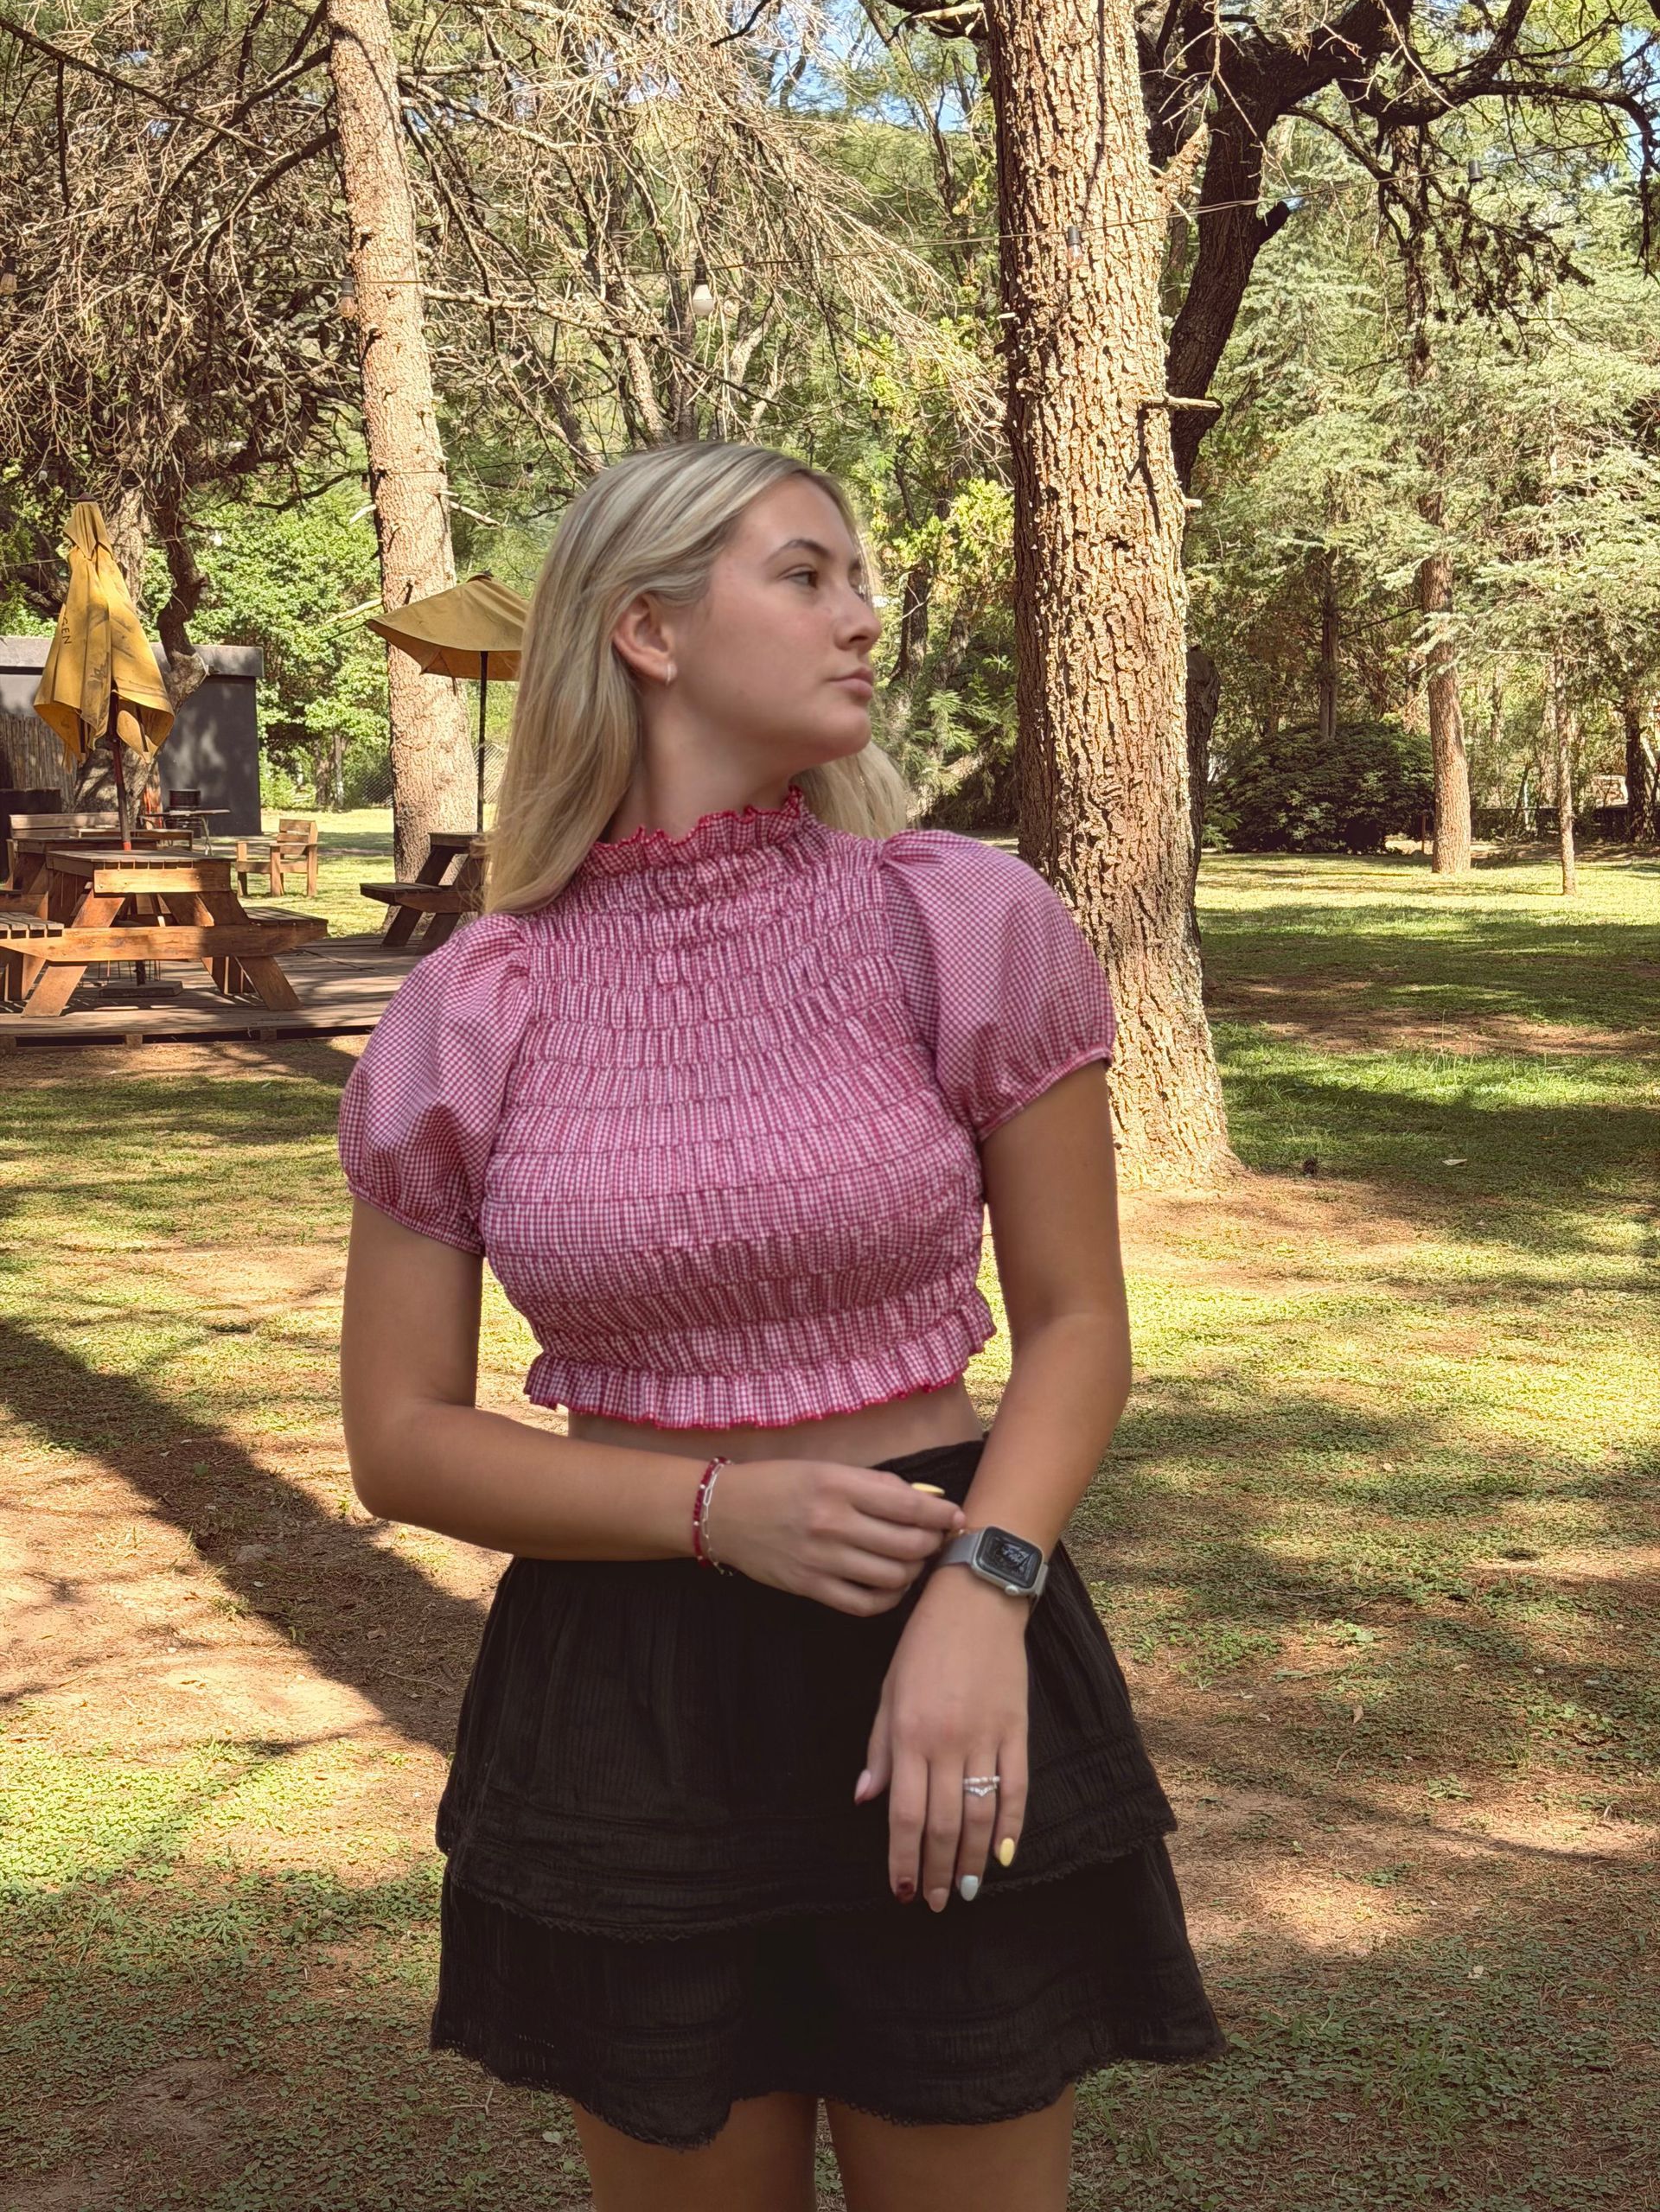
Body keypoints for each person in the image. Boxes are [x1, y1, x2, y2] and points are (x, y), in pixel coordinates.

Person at [336, 439, 1226, 2212]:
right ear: (649, 627)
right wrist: (707, 1508)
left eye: (859, 576)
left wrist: (990, 1580)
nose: (866, 615)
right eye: (807, 575)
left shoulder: (958, 921)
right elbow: (402, 1435)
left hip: (951, 1629)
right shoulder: (474, 1005)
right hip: (627, 1703)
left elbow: (1075, 1322)